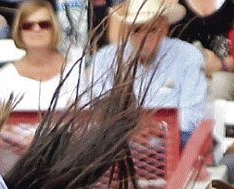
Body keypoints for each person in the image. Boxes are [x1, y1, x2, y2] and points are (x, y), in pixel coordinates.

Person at [89, 0, 208, 146]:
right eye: (137, 29)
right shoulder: (105, 59)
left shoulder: (188, 56)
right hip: (121, 143)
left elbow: (192, 117)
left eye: (152, 29)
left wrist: (158, 128)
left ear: (164, 28)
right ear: (127, 30)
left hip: (173, 142)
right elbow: (100, 111)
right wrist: (130, 130)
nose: (144, 37)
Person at [0, 0, 77, 111]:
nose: (36, 29)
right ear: (19, 32)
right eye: (28, 26)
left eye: (44, 25)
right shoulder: (6, 77)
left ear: (54, 29)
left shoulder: (74, 71)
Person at [169, 0, 234, 102]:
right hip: (179, 75)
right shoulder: (171, 7)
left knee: (220, 84)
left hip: (223, 76)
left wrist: (221, 64)